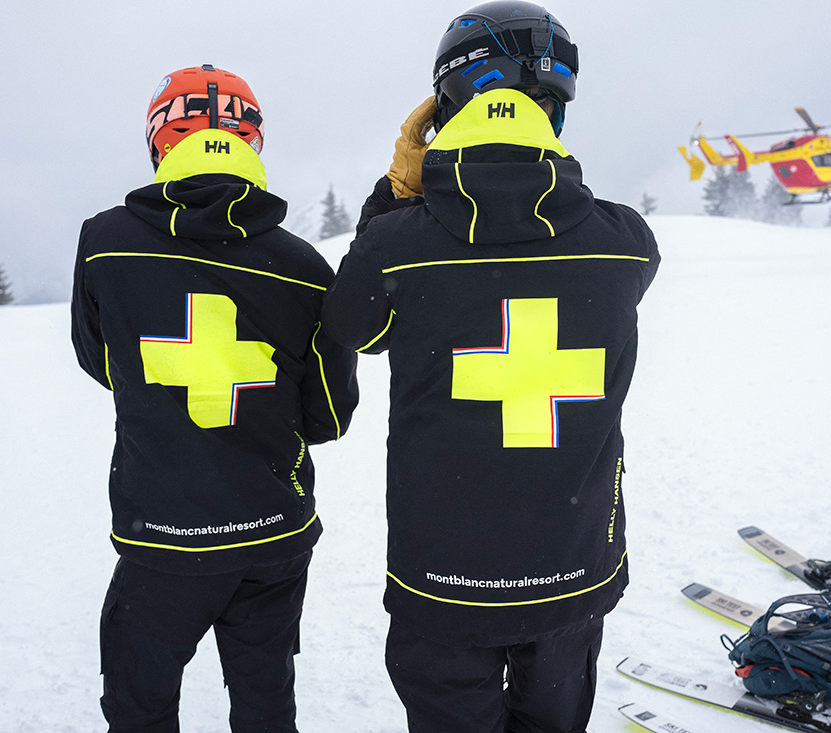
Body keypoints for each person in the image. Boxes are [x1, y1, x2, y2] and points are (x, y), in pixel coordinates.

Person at [322, 3, 660, 731]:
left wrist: (398, 192)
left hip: (444, 584)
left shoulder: (397, 246)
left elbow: (354, 326)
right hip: (574, 574)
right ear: (554, 111)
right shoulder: (628, 243)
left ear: (446, 107)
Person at [71, 64, 358, 731]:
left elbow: (103, 363)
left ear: (160, 142)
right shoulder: (305, 268)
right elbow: (329, 415)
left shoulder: (105, 242)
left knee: (140, 706)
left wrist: (165, 399)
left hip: (164, 538)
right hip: (273, 533)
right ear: (251, 141)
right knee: (264, 701)